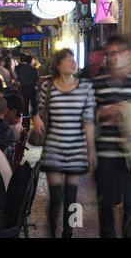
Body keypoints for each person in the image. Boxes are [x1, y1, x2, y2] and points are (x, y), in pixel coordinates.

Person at [33, 48, 96, 238]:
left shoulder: (85, 86)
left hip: (77, 148)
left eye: (73, 59)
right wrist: (36, 119)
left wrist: (91, 150)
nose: (72, 62)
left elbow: (89, 120)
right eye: (68, 60)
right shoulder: (49, 87)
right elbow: (38, 108)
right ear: (58, 65)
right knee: (56, 196)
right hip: (54, 147)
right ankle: (52, 231)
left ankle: (68, 233)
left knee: (71, 197)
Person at [93, 35, 131, 238]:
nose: (114, 57)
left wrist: (129, 113)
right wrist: (103, 114)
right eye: (110, 53)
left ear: (129, 53)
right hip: (105, 152)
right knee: (105, 201)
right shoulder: (98, 84)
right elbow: (89, 115)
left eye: (119, 52)